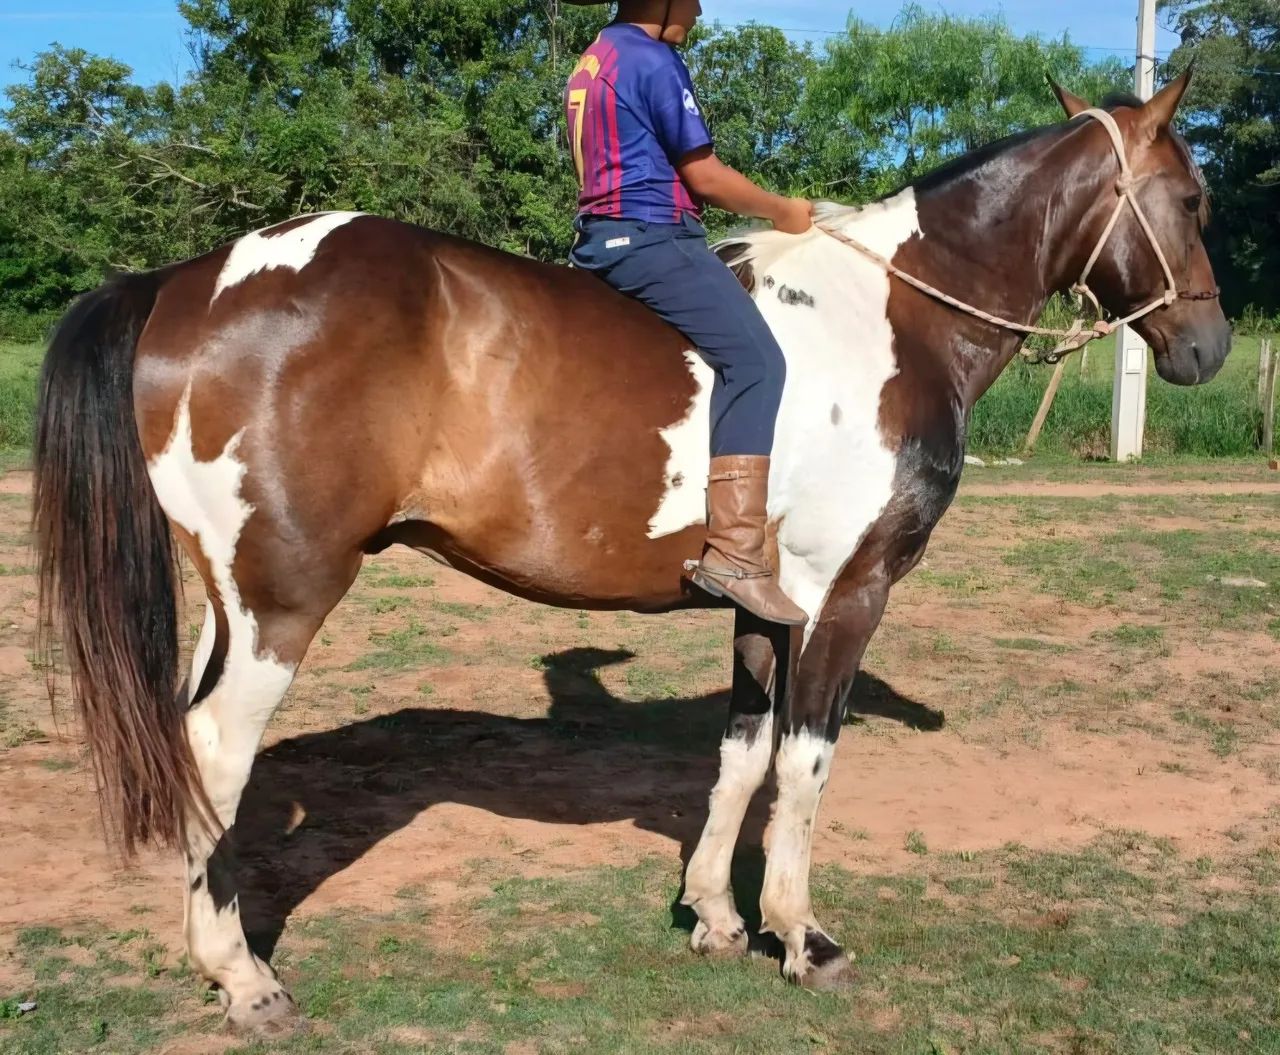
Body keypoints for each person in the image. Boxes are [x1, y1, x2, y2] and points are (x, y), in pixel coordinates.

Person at [563, 0, 812, 627]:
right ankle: (735, 551)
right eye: (694, 0)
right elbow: (704, 176)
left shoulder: (595, 59)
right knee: (757, 362)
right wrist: (782, 210)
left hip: (599, 236)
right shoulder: (652, 58)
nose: (698, 12)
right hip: (652, 239)